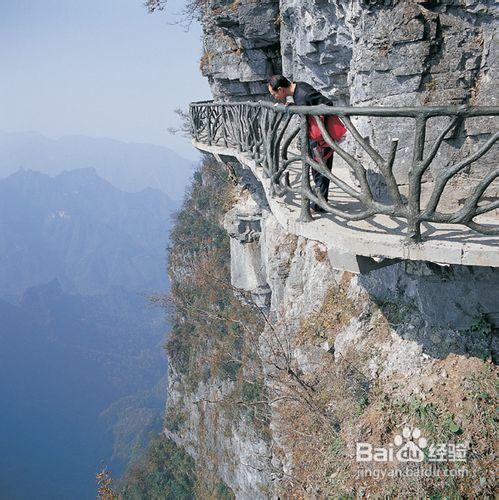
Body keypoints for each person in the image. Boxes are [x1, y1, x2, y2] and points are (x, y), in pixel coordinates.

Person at [268, 75, 346, 213]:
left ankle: (320, 205)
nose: (274, 96)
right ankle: (318, 202)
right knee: (316, 169)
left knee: (321, 170)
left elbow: (327, 105)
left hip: (321, 138)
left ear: (280, 89)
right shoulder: (299, 90)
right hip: (314, 136)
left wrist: (319, 122)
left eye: (274, 93)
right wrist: (295, 106)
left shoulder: (304, 93)